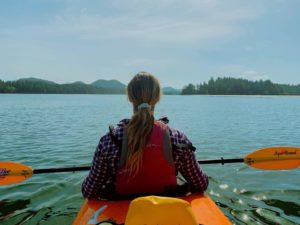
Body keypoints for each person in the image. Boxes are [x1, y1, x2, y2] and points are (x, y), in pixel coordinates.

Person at [82, 71, 208, 199]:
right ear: (157, 98)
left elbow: (89, 191)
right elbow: (201, 184)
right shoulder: (177, 138)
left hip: (124, 215)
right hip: (165, 210)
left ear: (130, 97)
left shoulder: (108, 141)